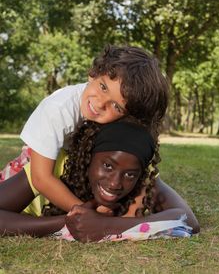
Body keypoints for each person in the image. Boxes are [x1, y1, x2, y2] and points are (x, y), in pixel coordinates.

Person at [2, 44, 168, 214]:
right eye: (103, 87)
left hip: (77, 171)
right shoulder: (58, 109)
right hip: (34, 167)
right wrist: (87, 212)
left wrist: (130, 215)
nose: (100, 103)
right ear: (93, 73)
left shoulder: (122, 124)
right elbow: (41, 178)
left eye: (116, 106)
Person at [0, 120, 199, 241]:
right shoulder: (55, 166)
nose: (115, 183)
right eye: (108, 166)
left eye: (130, 174)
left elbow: (187, 220)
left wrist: (106, 225)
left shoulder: (143, 178)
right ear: (89, 157)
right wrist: (67, 223)